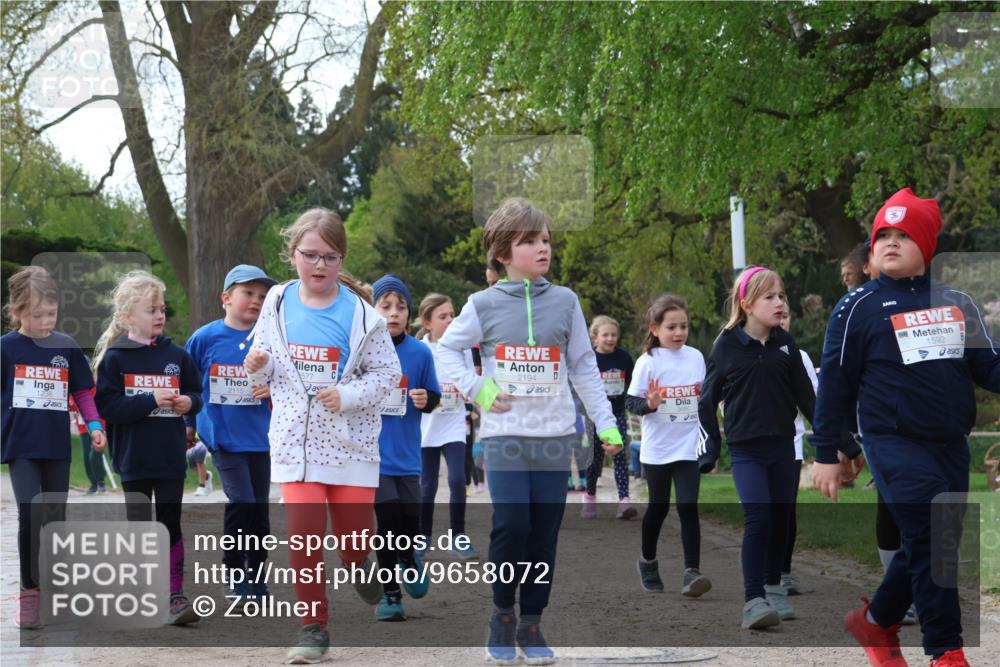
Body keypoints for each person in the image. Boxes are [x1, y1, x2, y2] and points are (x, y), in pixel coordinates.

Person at [812, 188, 999, 667]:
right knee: (933, 538)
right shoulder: (856, 306)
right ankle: (946, 651)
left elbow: (989, 368)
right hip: (891, 442)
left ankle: (876, 622)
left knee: (933, 541)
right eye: (883, 235)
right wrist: (828, 452)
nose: (890, 243)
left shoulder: (957, 302)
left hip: (951, 446)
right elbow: (834, 383)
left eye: (904, 234)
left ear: (927, 246)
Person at [435, 197, 623, 665]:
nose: (543, 248)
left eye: (546, 240)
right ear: (502, 252)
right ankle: (501, 616)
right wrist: (479, 389)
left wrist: (608, 425)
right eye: (530, 241)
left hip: (556, 436)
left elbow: (583, 367)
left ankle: (532, 624)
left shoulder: (566, 301)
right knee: (512, 525)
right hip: (505, 436)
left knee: (543, 534)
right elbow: (445, 351)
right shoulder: (482, 304)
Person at [244, 208, 401, 663]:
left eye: (330, 257)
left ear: (341, 259)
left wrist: (347, 395)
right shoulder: (275, 301)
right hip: (296, 442)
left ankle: (360, 565)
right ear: (293, 254)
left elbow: (388, 374)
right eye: (309, 255)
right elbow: (265, 357)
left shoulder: (363, 315)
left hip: (350, 445)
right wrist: (259, 365)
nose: (318, 265)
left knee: (353, 542)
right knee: (304, 537)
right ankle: (314, 628)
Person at [697, 267, 816, 629]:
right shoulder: (726, 345)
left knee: (781, 519)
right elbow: (706, 401)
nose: (779, 303)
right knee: (759, 516)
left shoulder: (785, 345)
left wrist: (837, 442)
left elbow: (808, 400)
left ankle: (774, 589)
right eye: (770, 297)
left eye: (782, 296)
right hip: (746, 449)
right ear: (747, 304)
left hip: (783, 446)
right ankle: (753, 600)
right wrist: (710, 448)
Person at [93, 270, 203, 626]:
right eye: (150, 309)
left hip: (170, 457)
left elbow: (198, 393)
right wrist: (148, 398)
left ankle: (174, 595)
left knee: (170, 524)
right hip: (133, 459)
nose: (159, 315)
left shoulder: (178, 355)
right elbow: (109, 408)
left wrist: (189, 403)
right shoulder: (115, 359)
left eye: (161, 308)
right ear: (127, 316)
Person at [2, 266, 106, 629]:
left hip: (56, 448)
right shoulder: (6, 349)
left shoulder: (65, 346)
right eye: (36, 315)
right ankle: (29, 593)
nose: (46, 321)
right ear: (17, 312)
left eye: (52, 314)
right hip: (21, 447)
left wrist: (94, 424)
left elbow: (81, 391)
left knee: (54, 520)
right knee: (30, 513)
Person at [184, 264, 276, 599]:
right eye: (248, 293)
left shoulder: (271, 339)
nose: (256, 301)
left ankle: (258, 576)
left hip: (262, 437)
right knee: (242, 501)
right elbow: (189, 385)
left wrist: (273, 391)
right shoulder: (204, 338)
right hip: (223, 436)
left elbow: (286, 383)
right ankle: (236, 577)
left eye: (262, 296)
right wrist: (190, 425)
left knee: (260, 512)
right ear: (226, 297)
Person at [626, 294, 711, 597]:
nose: (678, 333)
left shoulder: (696, 357)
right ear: (655, 329)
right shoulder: (648, 362)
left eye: (683, 326)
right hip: (658, 450)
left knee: (688, 506)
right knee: (658, 509)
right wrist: (649, 404)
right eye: (671, 327)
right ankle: (647, 561)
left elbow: (706, 398)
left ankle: (692, 571)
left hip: (688, 446)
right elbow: (631, 402)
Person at [370, 274, 441, 621]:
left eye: (400, 307)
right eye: (386, 306)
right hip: (373, 456)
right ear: (373, 310)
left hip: (409, 456)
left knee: (409, 521)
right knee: (386, 523)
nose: (393, 313)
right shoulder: (362, 352)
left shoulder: (420, 352)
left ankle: (410, 556)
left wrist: (426, 398)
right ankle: (391, 595)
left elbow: (434, 396)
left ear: (409, 314)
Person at [417, 293, 480, 560]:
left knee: (457, 479)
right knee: (427, 485)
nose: (450, 320)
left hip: (454, 423)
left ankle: (458, 537)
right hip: (425, 426)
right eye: (443, 316)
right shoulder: (419, 349)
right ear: (427, 322)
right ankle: (422, 538)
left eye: (452, 315)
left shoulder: (462, 349)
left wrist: (469, 392)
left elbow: (469, 380)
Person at [776, 306, 818, 595]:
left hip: (790, 446)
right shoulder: (740, 350)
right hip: (755, 445)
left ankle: (784, 570)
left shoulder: (800, 356)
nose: (782, 319)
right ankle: (764, 571)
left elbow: (814, 402)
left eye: (786, 314)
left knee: (786, 511)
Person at [582, 315, 635, 519]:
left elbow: (630, 382)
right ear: (595, 337)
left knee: (620, 456)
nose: (610, 338)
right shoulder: (589, 360)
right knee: (595, 459)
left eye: (614, 335)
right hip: (594, 415)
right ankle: (590, 496)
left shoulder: (624, 358)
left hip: (617, 413)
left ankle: (624, 501)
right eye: (605, 335)